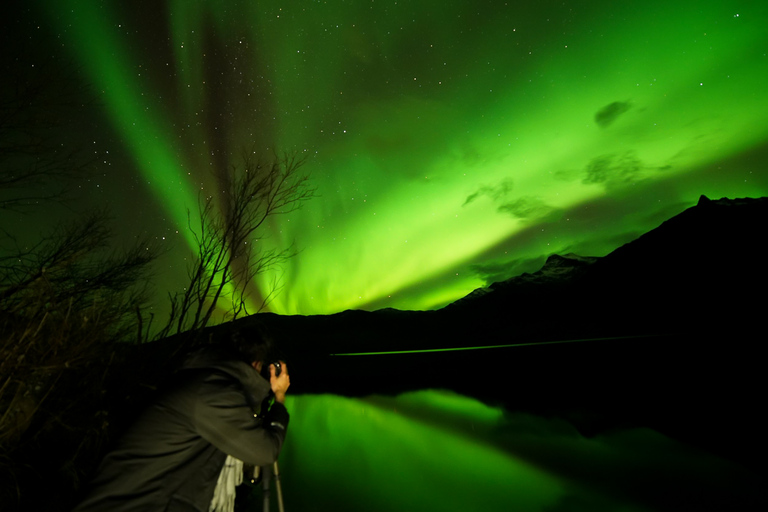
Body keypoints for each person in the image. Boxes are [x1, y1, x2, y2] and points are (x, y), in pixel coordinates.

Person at [72, 326, 291, 512]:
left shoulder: (199, 380)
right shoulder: (213, 391)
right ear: (255, 364)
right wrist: (279, 398)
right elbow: (265, 450)